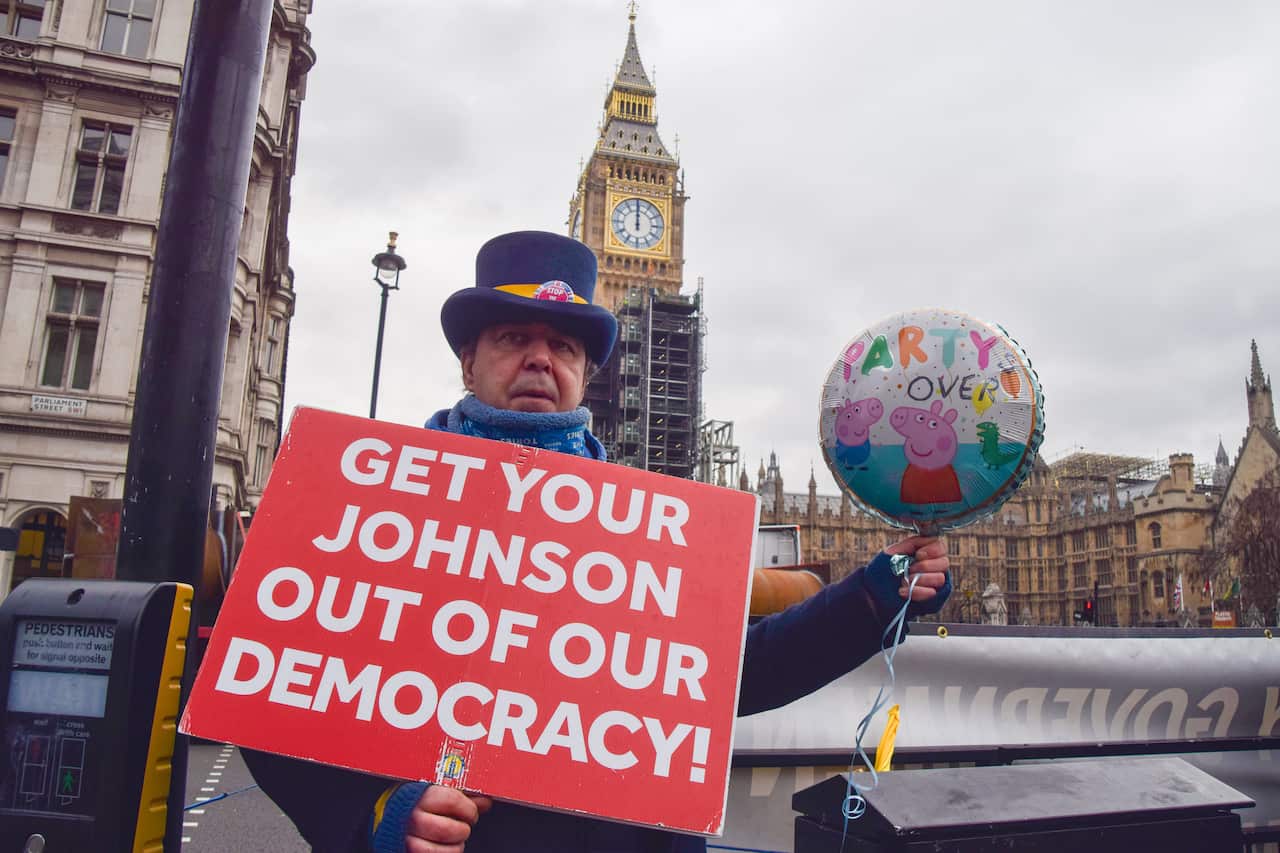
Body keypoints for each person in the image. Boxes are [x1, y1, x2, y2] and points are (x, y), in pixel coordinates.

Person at [244, 230, 951, 853]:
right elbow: (266, 686)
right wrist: (378, 819)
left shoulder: (646, 526)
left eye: (562, 345)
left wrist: (877, 593)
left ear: (585, 371)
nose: (539, 358)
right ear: (469, 361)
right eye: (513, 338)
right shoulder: (377, 501)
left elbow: (734, 674)